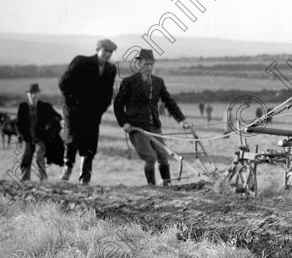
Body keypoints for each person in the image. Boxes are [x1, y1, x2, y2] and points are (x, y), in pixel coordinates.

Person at [113, 49, 190, 186]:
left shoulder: (158, 82)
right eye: (145, 64)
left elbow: (169, 102)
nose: (148, 67)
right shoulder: (129, 82)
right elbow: (118, 105)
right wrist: (124, 123)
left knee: (163, 156)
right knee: (150, 157)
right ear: (138, 64)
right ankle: (152, 187)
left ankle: (167, 185)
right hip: (137, 127)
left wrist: (182, 120)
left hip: (154, 126)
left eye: (151, 64)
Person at [58, 39, 118, 184]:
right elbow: (63, 83)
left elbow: (107, 94)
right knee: (72, 138)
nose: (108, 54)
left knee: (90, 143)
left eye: (110, 52)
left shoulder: (111, 69)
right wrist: (74, 104)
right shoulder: (81, 62)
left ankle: (85, 178)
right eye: (105, 51)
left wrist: (99, 110)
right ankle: (67, 167)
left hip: (93, 113)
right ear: (97, 50)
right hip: (73, 109)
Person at [16, 84, 62, 182]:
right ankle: (25, 179)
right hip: (28, 138)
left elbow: (58, 116)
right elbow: (19, 123)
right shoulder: (23, 107)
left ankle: (43, 179)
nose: (33, 96)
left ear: (38, 94)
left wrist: (50, 126)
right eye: (31, 93)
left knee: (39, 156)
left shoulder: (45, 107)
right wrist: (21, 135)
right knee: (26, 158)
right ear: (28, 95)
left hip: (40, 138)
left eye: (35, 93)